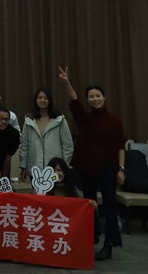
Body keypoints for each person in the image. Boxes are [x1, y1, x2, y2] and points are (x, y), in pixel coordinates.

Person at [59, 67, 125, 261]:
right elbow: (74, 102)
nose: (95, 99)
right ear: (88, 100)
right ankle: (90, 239)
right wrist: (67, 83)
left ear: (104, 97)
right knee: (87, 204)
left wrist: (121, 169)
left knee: (110, 206)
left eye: (98, 96)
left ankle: (109, 245)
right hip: (86, 165)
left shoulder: (115, 121)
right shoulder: (85, 119)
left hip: (107, 167)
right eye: (91, 97)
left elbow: (121, 146)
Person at [19, 88, 74, 183]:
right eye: (39, 98)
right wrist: (23, 167)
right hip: (35, 170)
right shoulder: (29, 120)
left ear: (50, 100)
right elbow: (24, 146)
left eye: (45, 98)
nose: (42, 100)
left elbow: (67, 146)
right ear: (35, 100)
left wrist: (64, 166)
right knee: (37, 192)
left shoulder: (59, 120)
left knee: (55, 192)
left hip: (55, 170)